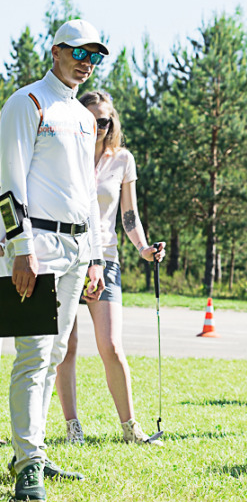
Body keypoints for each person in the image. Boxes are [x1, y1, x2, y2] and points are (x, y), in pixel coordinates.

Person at [0, 19, 108, 502]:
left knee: (58, 351)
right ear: (56, 51)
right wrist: (19, 248)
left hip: (76, 248)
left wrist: (95, 256)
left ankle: (33, 450)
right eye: (79, 53)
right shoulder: (27, 103)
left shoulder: (85, 117)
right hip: (36, 247)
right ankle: (27, 464)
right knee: (34, 354)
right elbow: (7, 184)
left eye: (94, 56)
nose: (86, 63)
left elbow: (85, 193)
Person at [55, 91, 166, 444]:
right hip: (66, 256)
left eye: (105, 121)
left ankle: (130, 428)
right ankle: (73, 427)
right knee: (66, 346)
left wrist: (144, 249)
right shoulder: (64, 154)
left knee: (112, 346)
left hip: (107, 259)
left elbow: (128, 215)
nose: (99, 127)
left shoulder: (122, 160)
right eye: (92, 120)